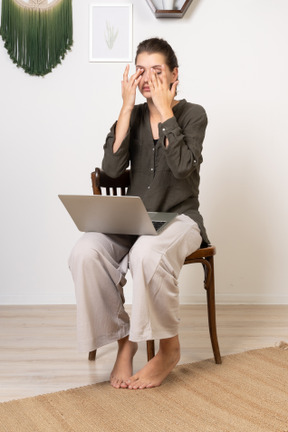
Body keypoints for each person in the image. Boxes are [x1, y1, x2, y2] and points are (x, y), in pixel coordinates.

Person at [69, 38, 209, 390]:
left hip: (180, 220)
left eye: (157, 71)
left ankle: (168, 349)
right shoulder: (133, 115)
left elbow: (181, 168)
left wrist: (165, 114)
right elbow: (112, 168)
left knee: (146, 253)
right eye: (141, 70)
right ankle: (124, 341)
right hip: (135, 221)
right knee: (85, 252)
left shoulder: (193, 115)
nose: (147, 78)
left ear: (175, 74)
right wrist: (127, 108)